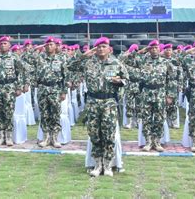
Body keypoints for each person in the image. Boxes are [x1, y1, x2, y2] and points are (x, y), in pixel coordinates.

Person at [66, 37, 128, 177]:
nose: (101, 49)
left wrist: (120, 82)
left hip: (109, 102)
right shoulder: (88, 63)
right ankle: (97, 164)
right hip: (93, 102)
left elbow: (126, 80)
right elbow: (70, 66)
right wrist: (84, 55)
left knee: (109, 135)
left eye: (104, 46)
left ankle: (107, 165)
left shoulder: (116, 63)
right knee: (94, 134)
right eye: (98, 47)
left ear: (109, 48)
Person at [0, 36, 27, 146]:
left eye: (5, 43)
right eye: (1, 43)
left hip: (9, 86)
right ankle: (1, 135)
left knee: (8, 111)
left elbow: (22, 71)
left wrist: (19, 87)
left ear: (9, 45)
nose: (3, 45)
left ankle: (9, 136)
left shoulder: (14, 57)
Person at [35, 37, 67, 148]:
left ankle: (55, 138)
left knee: (55, 114)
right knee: (44, 114)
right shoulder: (39, 58)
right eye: (47, 44)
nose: (49, 46)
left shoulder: (61, 59)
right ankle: (46, 137)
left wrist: (64, 92)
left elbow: (65, 77)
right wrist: (37, 49)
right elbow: (26, 58)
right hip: (43, 88)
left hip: (55, 89)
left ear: (55, 46)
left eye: (51, 44)